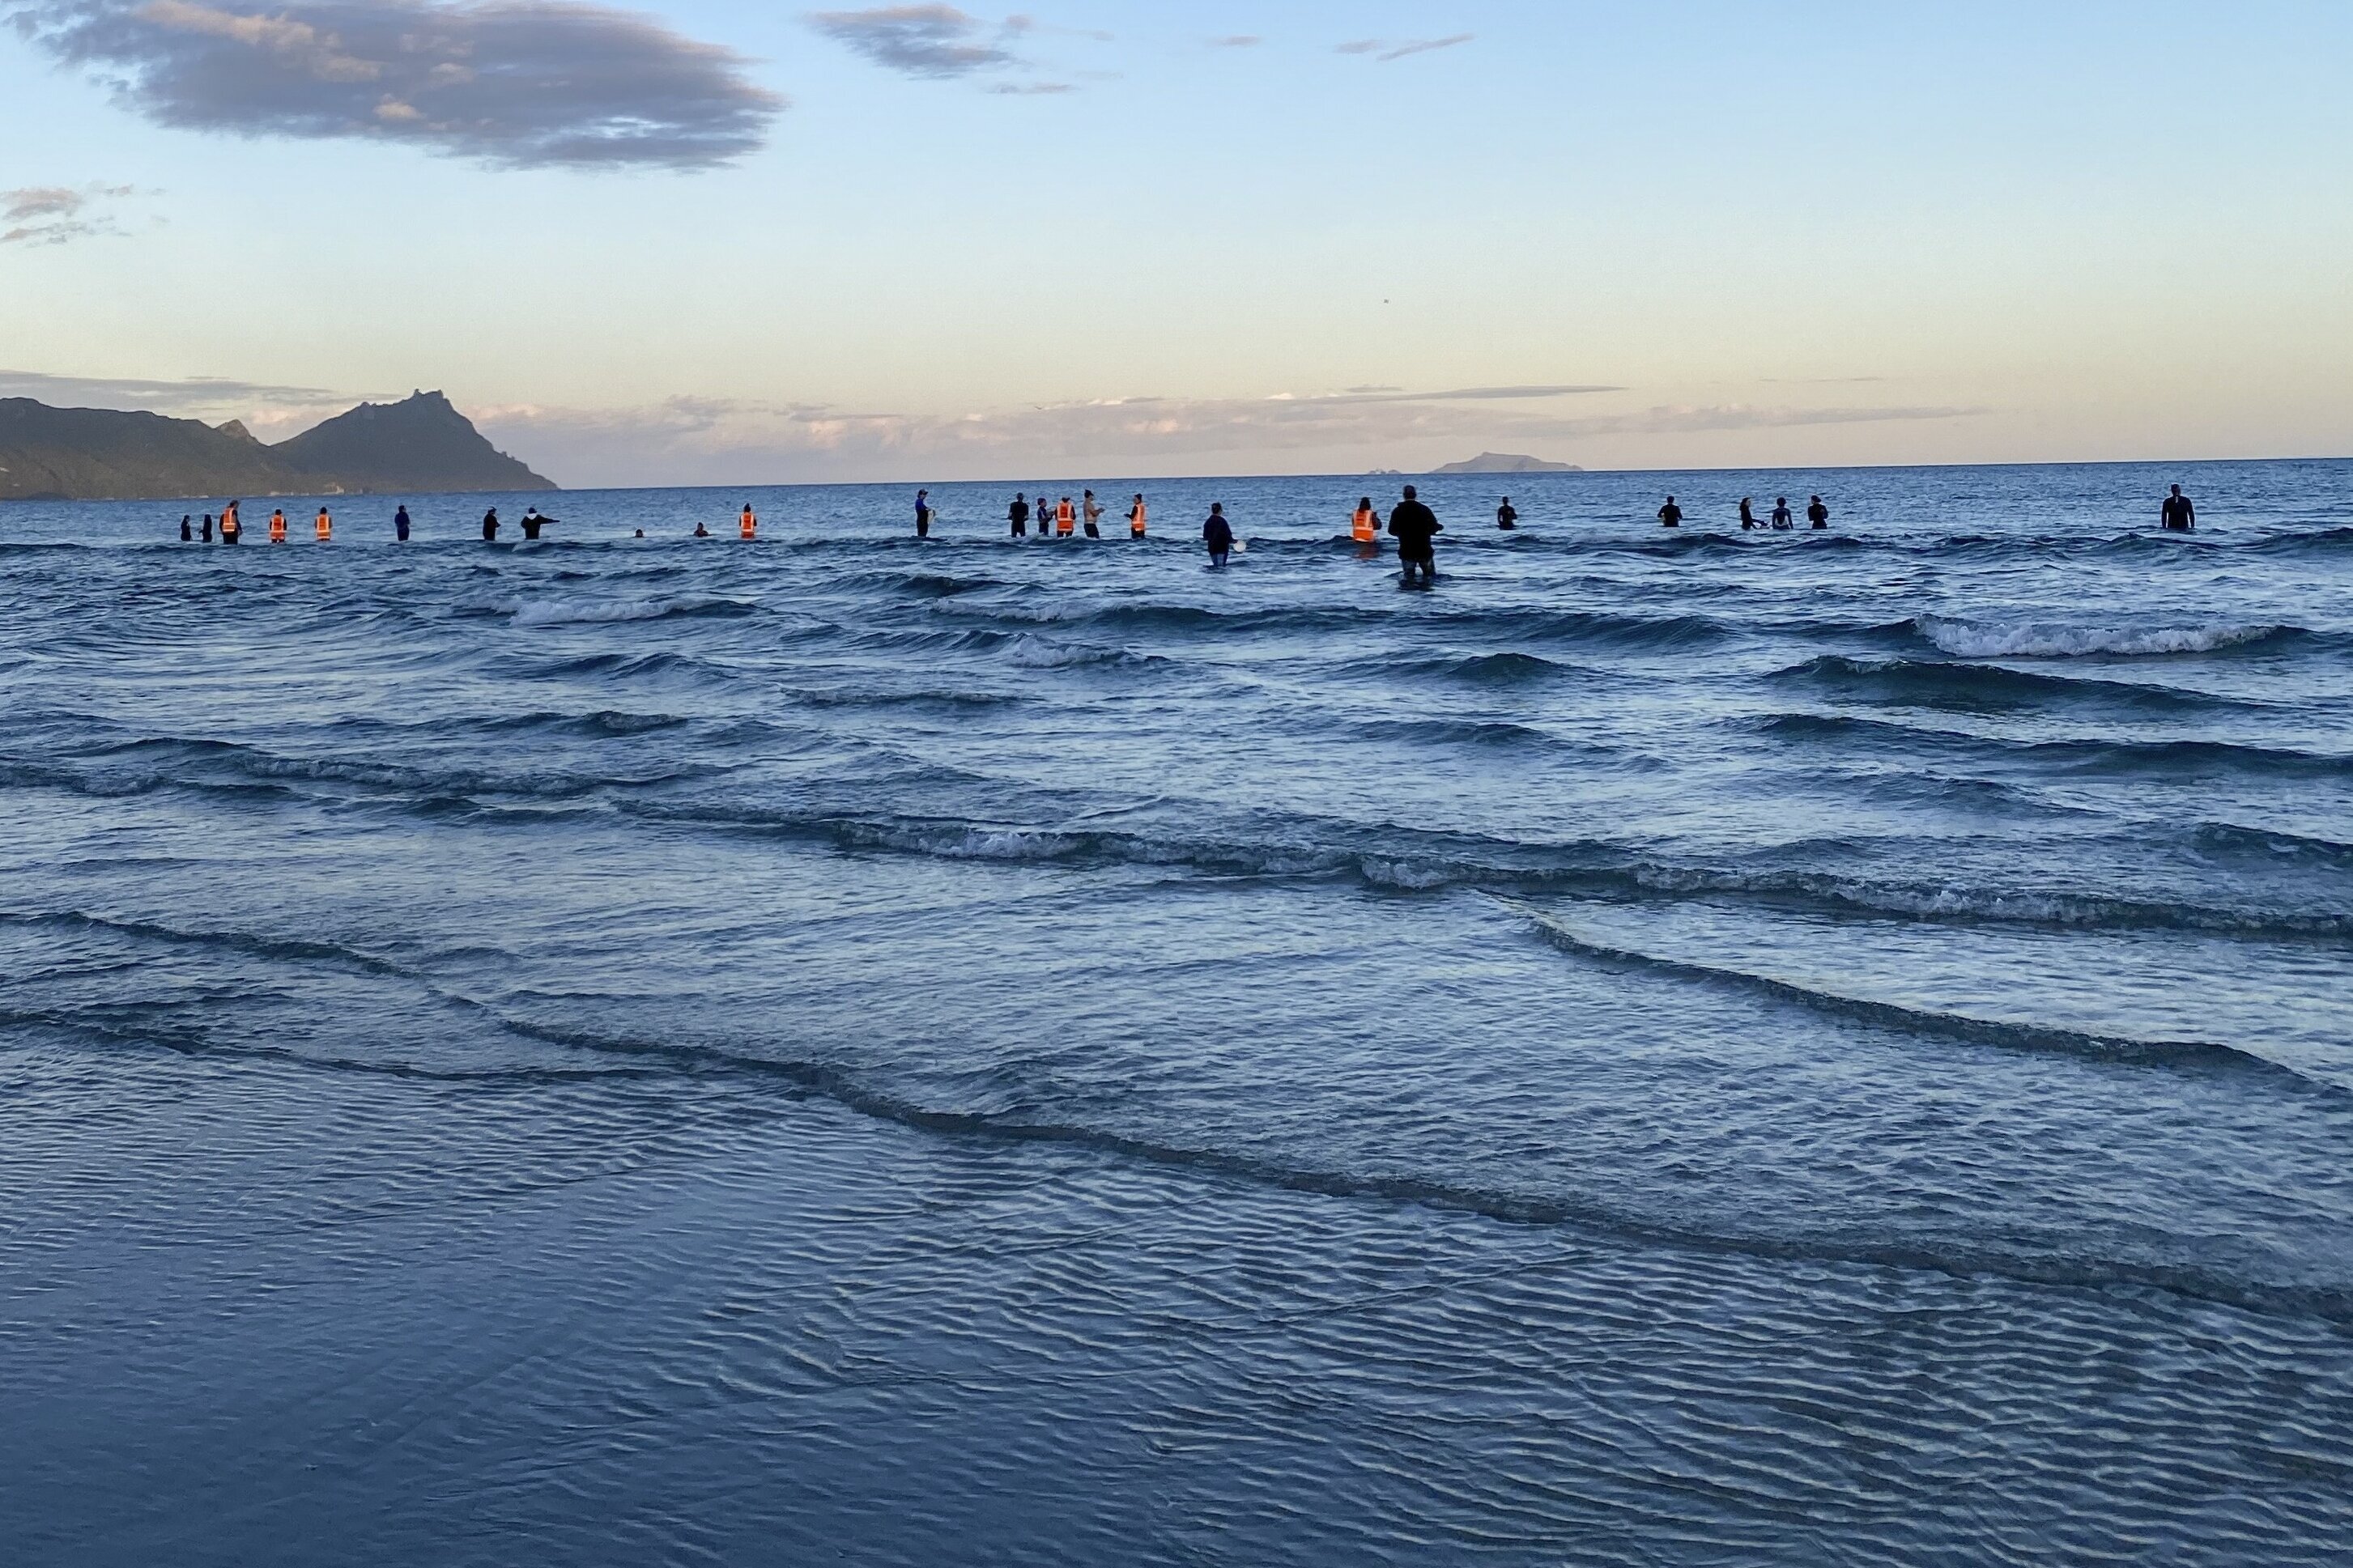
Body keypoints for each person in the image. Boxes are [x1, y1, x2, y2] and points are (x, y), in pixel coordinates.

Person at [1388, 484, 1441, 584]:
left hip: (1406, 550)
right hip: (1424, 549)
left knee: (1408, 578)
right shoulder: (1425, 509)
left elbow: (1391, 531)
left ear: (1404, 495)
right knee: (1430, 577)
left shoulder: (1397, 511)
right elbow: (1434, 527)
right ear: (1415, 495)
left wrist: (1403, 533)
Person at [1203, 502, 1235, 567]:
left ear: (1212, 510)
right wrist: (1235, 542)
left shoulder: (1208, 522)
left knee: (1216, 566)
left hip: (1212, 548)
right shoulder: (1223, 521)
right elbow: (1228, 535)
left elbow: (1205, 537)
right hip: (1222, 549)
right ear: (1220, 510)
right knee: (1220, 568)